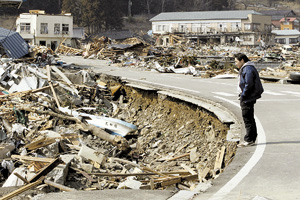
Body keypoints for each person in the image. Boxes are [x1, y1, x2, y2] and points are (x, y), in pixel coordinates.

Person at [234, 53, 264, 147]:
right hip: (248, 96)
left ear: (242, 60)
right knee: (249, 117)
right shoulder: (248, 68)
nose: (235, 63)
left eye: (236, 61)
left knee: (247, 117)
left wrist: (243, 95)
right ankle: (251, 137)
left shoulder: (247, 69)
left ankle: (249, 139)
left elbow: (249, 83)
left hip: (247, 97)